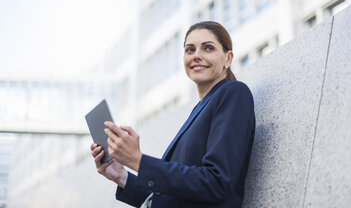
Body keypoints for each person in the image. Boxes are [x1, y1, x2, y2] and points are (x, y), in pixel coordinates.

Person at [91, 21, 255, 207]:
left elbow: (216, 182)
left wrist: (139, 161)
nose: (197, 56)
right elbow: (171, 198)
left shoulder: (233, 92)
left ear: (228, 58)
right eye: (189, 50)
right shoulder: (201, 108)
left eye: (208, 48)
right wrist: (121, 175)